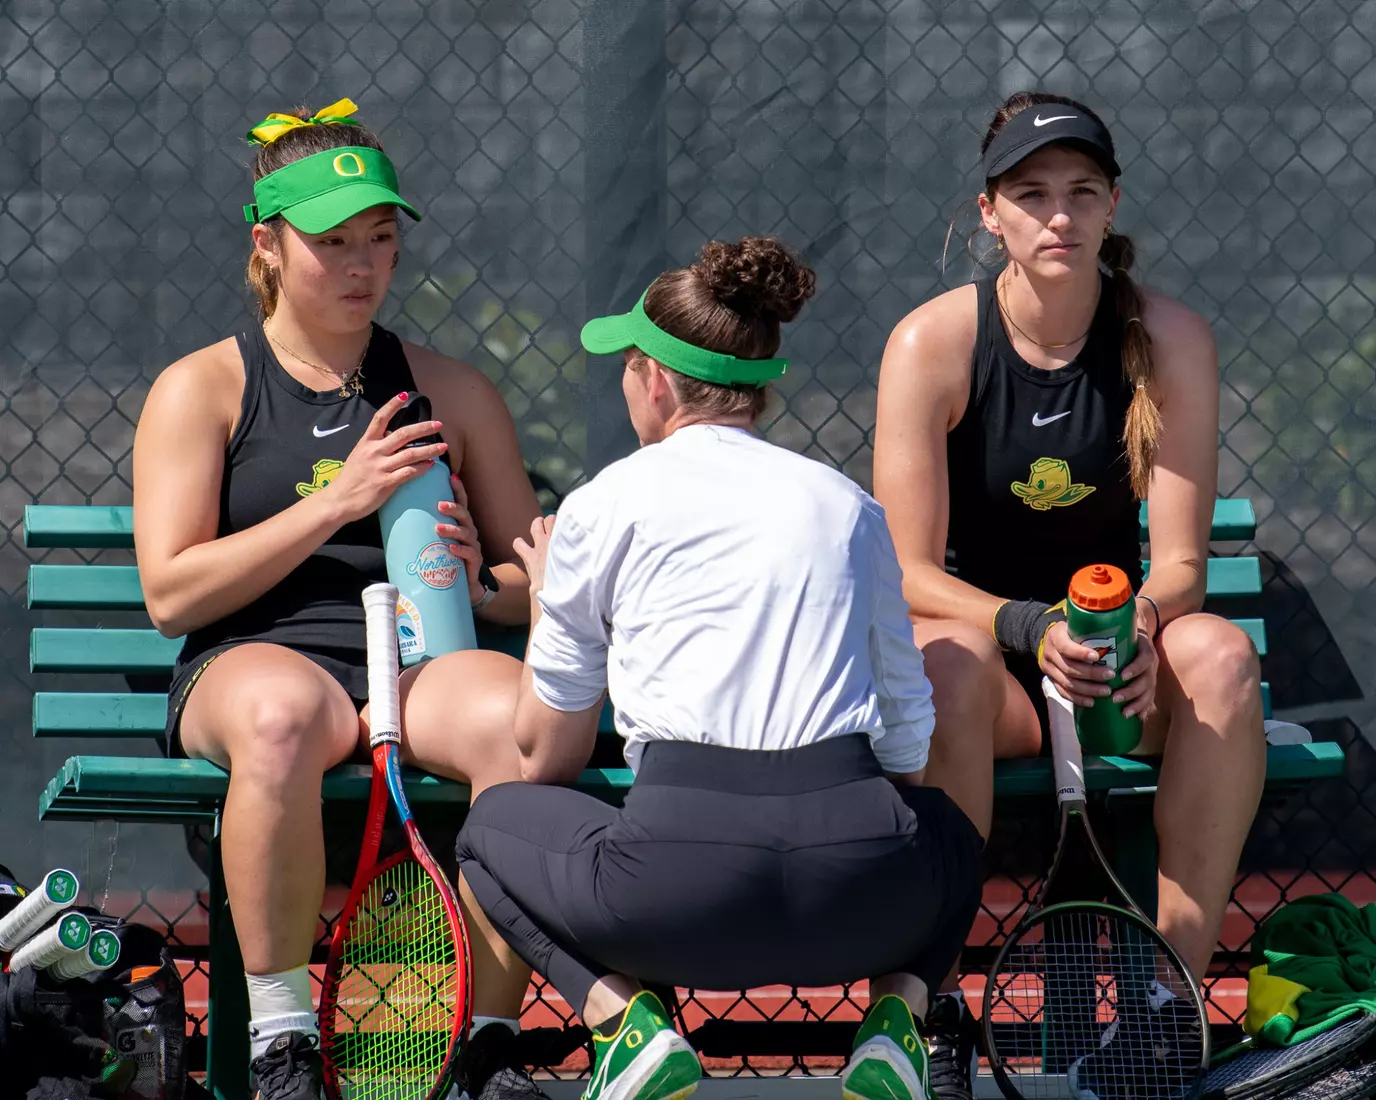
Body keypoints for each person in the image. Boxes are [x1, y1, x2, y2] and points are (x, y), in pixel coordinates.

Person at [454, 237, 984, 1100]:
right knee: (951, 833)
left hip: (670, 902)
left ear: (656, 382)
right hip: (861, 901)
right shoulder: (850, 507)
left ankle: (625, 1025)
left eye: (629, 363)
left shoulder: (599, 507)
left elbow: (545, 757)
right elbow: (908, 750)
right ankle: (896, 1025)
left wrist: (550, 600)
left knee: (489, 828)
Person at [131, 100, 548, 1100]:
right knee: (283, 715)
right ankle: (282, 1042)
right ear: (267, 244)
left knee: (517, 723)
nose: (362, 266)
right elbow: (170, 588)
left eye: (381, 239)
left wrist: (488, 586)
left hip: (420, 665)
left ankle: (484, 1046)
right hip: (257, 662)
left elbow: (536, 581)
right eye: (331, 244)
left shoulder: (453, 388)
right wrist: (341, 503)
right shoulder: (204, 389)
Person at [873, 92, 1267, 1099]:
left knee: (1220, 655)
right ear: (988, 213)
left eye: (1080, 193)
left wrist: (1135, 622)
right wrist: (1023, 624)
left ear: (1110, 206)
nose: (1058, 215)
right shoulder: (931, 344)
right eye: (1031, 194)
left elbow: (1175, 564)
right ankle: (934, 1012)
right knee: (947, 673)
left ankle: (1165, 1008)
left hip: (1115, 668)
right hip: (990, 662)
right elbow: (906, 571)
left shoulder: (1169, 337)